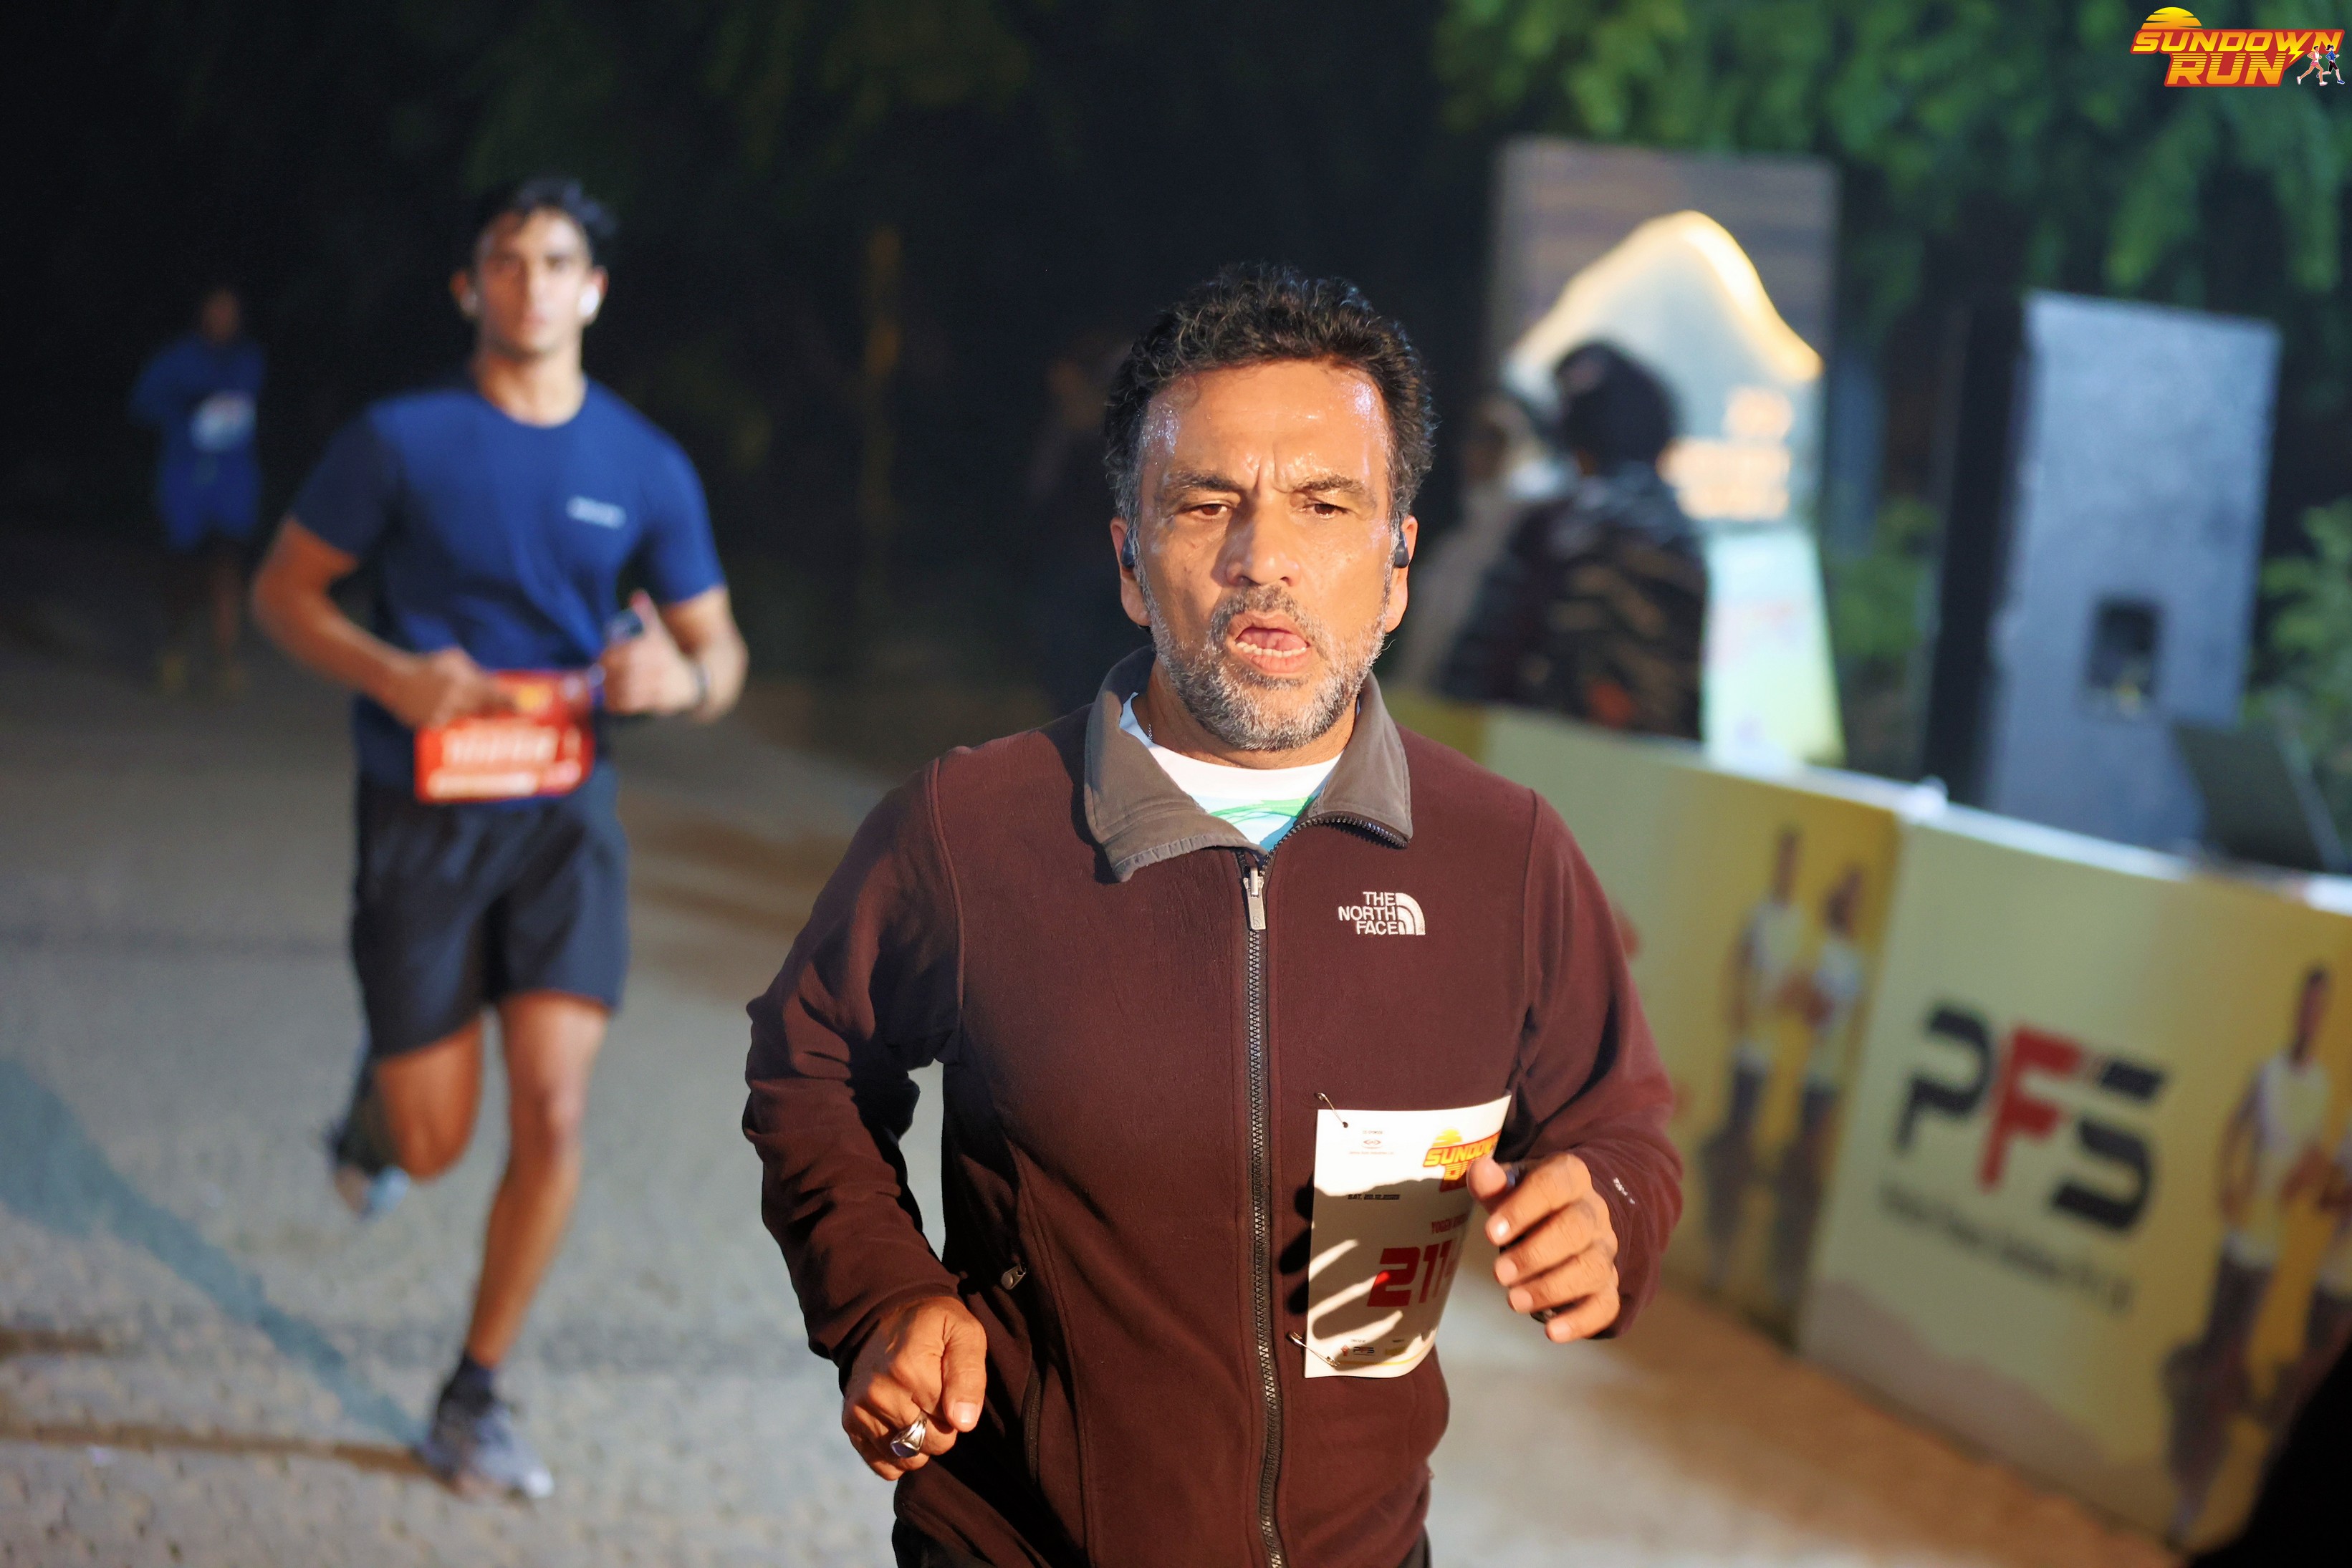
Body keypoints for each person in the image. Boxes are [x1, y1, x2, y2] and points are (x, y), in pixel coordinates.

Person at [744, 265, 1681, 1567]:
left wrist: (1607, 1209)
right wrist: (881, 1295)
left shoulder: (1507, 854)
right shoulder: (968, 827)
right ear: (1131, 561)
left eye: (1325, 504)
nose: (1263, 559)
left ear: (1396, 566)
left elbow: (1618, 1122)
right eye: (1204, 504)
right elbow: (809, 1067)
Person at [251, 175, 747, 1499]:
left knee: (555, 1107)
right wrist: (390, 673)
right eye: (508, 261)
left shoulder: (644, 465)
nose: (533, 284)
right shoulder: (398, 439)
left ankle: (472, 1396)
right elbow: (283, 593)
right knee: (433, 1143)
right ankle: (376, 1120)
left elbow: (721, 654)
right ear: (470, 287)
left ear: (595, 290)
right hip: (420, 819)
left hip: (562, 824)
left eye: (557, 262)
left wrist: (677, 681)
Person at [1439, 341, 1707, 739]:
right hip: (1650, 763)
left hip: (1540, 751)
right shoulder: (1674, 532)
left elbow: (1479, 665)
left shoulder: (1561, 526)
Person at [2163, 966, 2334, 1546]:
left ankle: (2191, 1501)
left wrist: (2307, 1177)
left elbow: (2313, 1161)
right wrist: (2227, 1183)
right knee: (2210, 1358)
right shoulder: (2267, 1071)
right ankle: (2184, 1485)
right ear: (2296, 1007)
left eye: (2318, 1007)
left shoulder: (2321, 1086)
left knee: (2227, 1371)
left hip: (2268, 1253)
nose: (2308, 1015)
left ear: (2323, 1015)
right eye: (2305, 1004)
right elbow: (2234, 1129)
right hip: (2236, 1244)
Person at [131, 284, 267, 696]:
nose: (223, 319)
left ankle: (225, 658)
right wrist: (184, 411)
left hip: (232, 480)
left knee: (228, 565)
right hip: (185, 478)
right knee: (185, 570)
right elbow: (142, 403)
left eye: (230, 311)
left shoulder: (250, 360)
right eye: (216, 310)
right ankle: (175, 649)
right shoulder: (177, 359)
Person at [1697, 827, 1805, 1293]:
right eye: (1783, 858)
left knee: (1749, 1153)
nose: (1786, 867)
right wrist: (1739, 1004)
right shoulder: (1759, 914)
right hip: (1744, 1055)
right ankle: (1717, 1250)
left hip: (1771, 1061)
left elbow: (1798, 987)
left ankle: (1731, 1255)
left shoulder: (1799, 923)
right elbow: (1738, 962)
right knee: (1731, 1148)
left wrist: (1785, 1001)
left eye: (1792, 860)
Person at [1027, 331, 1146, 713]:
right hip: (1077, 561)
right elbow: (1042, 488)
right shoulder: (1069, 428)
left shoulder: (1117, 425)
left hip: (1106, 562)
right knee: (1074, 664)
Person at [1767, 865, 1867, 1313]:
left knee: (1812, 1181)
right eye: (1848, 893)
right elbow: (1795, 1000)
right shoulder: (1821, 948)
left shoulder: (1859, 960)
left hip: (1836, 1086)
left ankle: (1791, 1283)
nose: (1853, 902)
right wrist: (1812, 999)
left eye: (1859, 895)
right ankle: (1780, 1280)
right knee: (1799, 1176)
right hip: (1812, 1082)